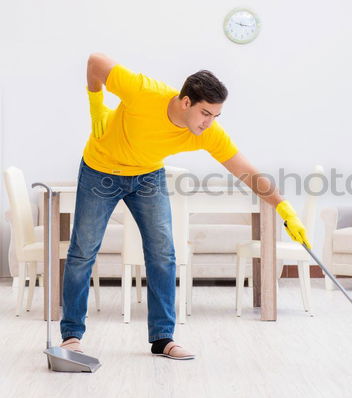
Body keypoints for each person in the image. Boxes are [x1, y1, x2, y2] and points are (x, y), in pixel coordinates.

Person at [59, 53, 311, 360]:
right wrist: (96, 105)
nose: (209, 123)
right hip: (101, 171)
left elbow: (247, 172)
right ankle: (72, 336)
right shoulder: (142, 91)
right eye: (206, 113)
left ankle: (163, 338)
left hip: (147, 177)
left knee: (163, 253)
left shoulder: (207, 134)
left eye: (216, 116)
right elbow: (95, 62)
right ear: (185, 102)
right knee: (83, 251)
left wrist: (285, 210)